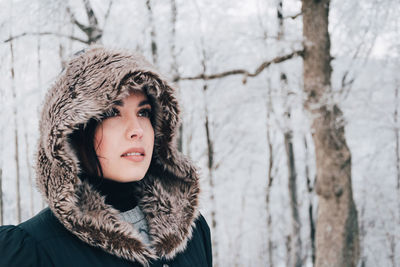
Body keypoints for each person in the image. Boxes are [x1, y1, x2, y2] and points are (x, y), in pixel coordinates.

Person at [0, 46, 212, 267]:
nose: (137, 129)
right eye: (112, 113)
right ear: (74, 132)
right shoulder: (31, 249)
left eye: (144, 112)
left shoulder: (193, 234)